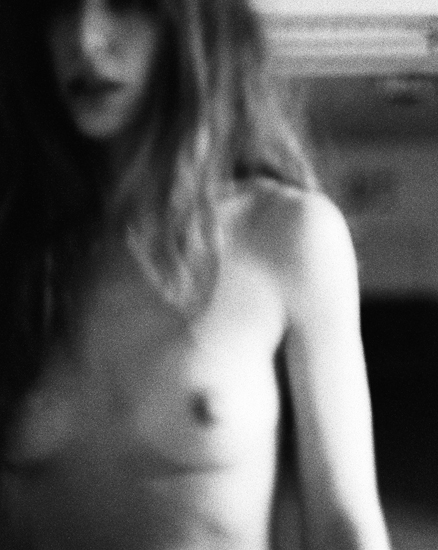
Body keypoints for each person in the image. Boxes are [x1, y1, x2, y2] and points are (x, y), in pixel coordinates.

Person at [0, 0, 391, 549]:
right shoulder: (14, 249)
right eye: (61, 5)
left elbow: (343, 524)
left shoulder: (286, 235)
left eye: (125, 2)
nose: (85, 38)